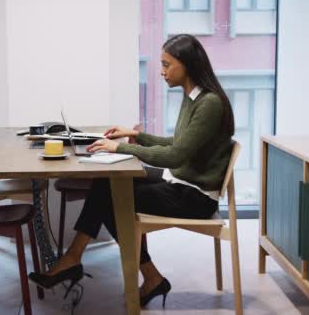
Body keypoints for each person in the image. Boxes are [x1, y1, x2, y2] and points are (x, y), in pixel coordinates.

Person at [28, 34, 235, 308]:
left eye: (166, 64)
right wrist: (132, 135)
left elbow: (175, 154)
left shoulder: (209, 104)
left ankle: (93, 264)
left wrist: (121, 149)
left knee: (115, 199)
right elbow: (178, 144)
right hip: (182, 181)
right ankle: (78, 259)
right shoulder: (193, 97)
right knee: (106, 183)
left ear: (187, 65)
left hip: (194, 196)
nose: (161, 71)